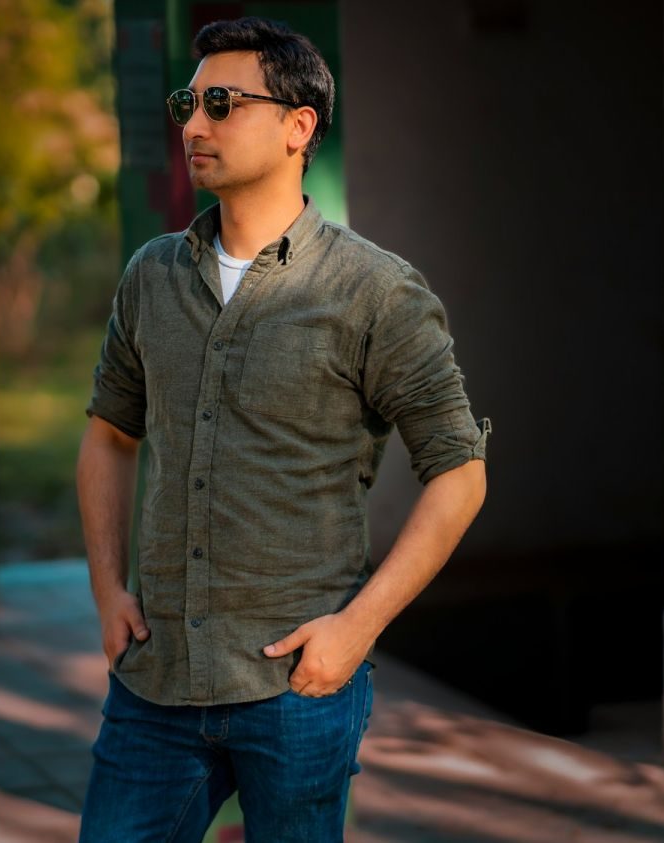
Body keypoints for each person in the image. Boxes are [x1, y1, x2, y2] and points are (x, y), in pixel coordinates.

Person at [76, 16, 489, 843]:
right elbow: (110, 434)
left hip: (296, 690)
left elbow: (459, 470)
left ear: (299, 126)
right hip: (155, 684)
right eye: (188, 102)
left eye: (222, 103)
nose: (194, 125)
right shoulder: (152, 275)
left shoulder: (374, 291)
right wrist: (107, 587)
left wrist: (356, 628)